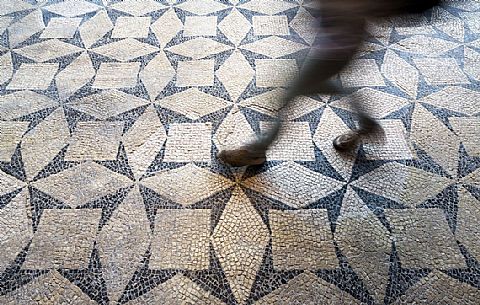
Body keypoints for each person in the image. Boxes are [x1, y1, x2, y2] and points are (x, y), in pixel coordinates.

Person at [218, 0, 440, 167]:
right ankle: (366, 124)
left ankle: (257, 151)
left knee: (287, 97)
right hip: (334, 43)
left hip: (333, 50)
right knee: (320, 86)